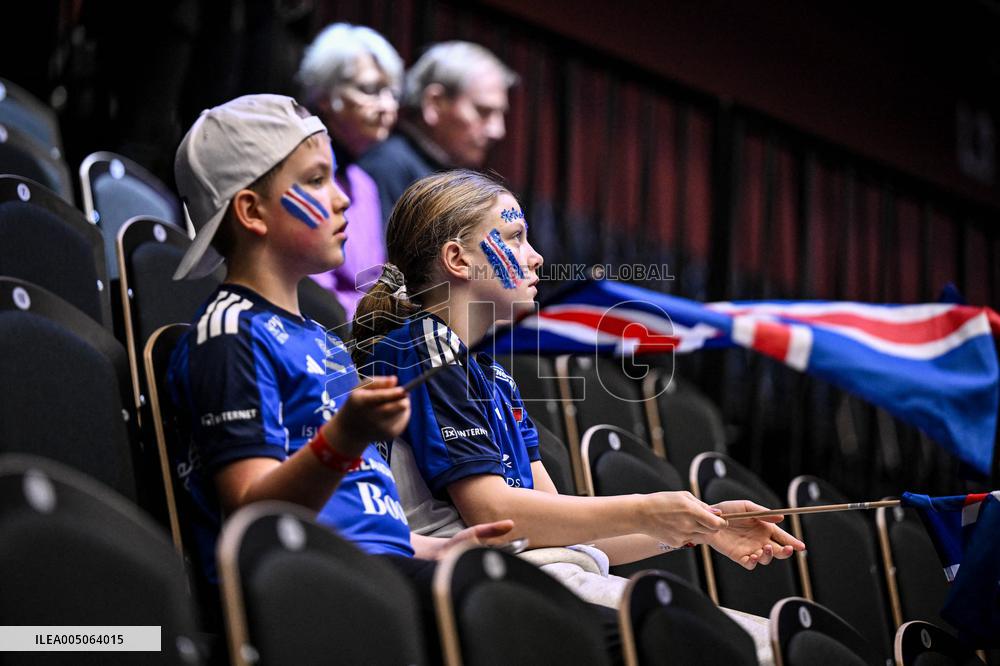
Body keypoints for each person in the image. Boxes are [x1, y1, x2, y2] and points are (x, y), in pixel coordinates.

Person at [353, 170, 806, 610]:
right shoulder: (427, 349)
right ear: (458, 260)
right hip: (483, 584)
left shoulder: (492, 374)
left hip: (544, 569)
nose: (536, 257)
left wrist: (704, 525)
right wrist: (644, 509)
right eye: (515, 238)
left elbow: (555, 524)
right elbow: (492, 514)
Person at [165, 96, 516, 648]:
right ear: (252, 211)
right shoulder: (231, 334)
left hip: (370, 570)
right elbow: (254, 515)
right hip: (298, 586)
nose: (342, 197)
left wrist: (437, 549)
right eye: (316, 180)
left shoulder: (323, 341)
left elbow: (362, 519)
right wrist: (344, 437)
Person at [297, 23, 404, 319]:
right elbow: (308, 287)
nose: (387, 105)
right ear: (325, 95)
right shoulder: (300, 170)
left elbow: (374, 282)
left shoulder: (364, 183)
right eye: (370, 90)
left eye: (392, 93)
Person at [358, 41, 517, 227]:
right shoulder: (386, 166)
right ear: (435, 103)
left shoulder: (449, 172)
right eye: (483, 111)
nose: (497, 130)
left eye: (500, 114)